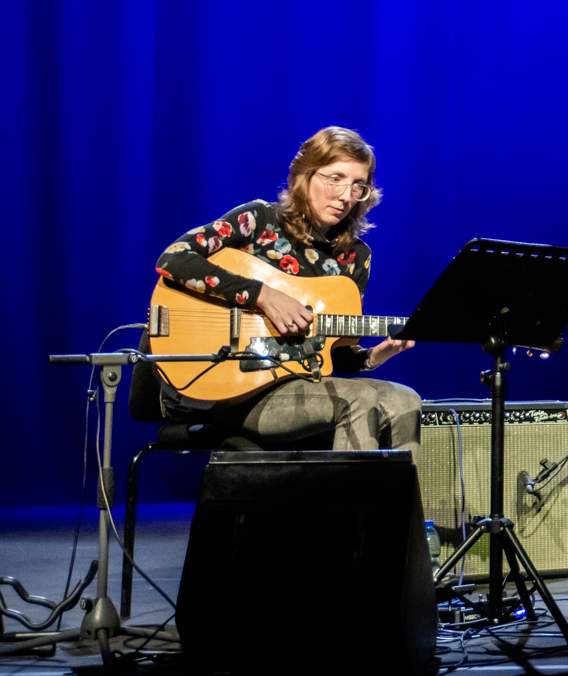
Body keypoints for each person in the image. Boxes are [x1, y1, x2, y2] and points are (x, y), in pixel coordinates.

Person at [154, 126, 421, 455]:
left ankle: (397, 509)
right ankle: (347, 509)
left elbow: (333, 355)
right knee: (359, 398)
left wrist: (372, 358)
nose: (346, 195)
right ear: (304, 175)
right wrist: (264, 296)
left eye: (358, 185)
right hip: (234, 389)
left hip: (303, 388)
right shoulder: (258, 220)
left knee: (405, 399)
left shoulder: (356, 257)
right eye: (334, 178)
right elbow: (174, 258)